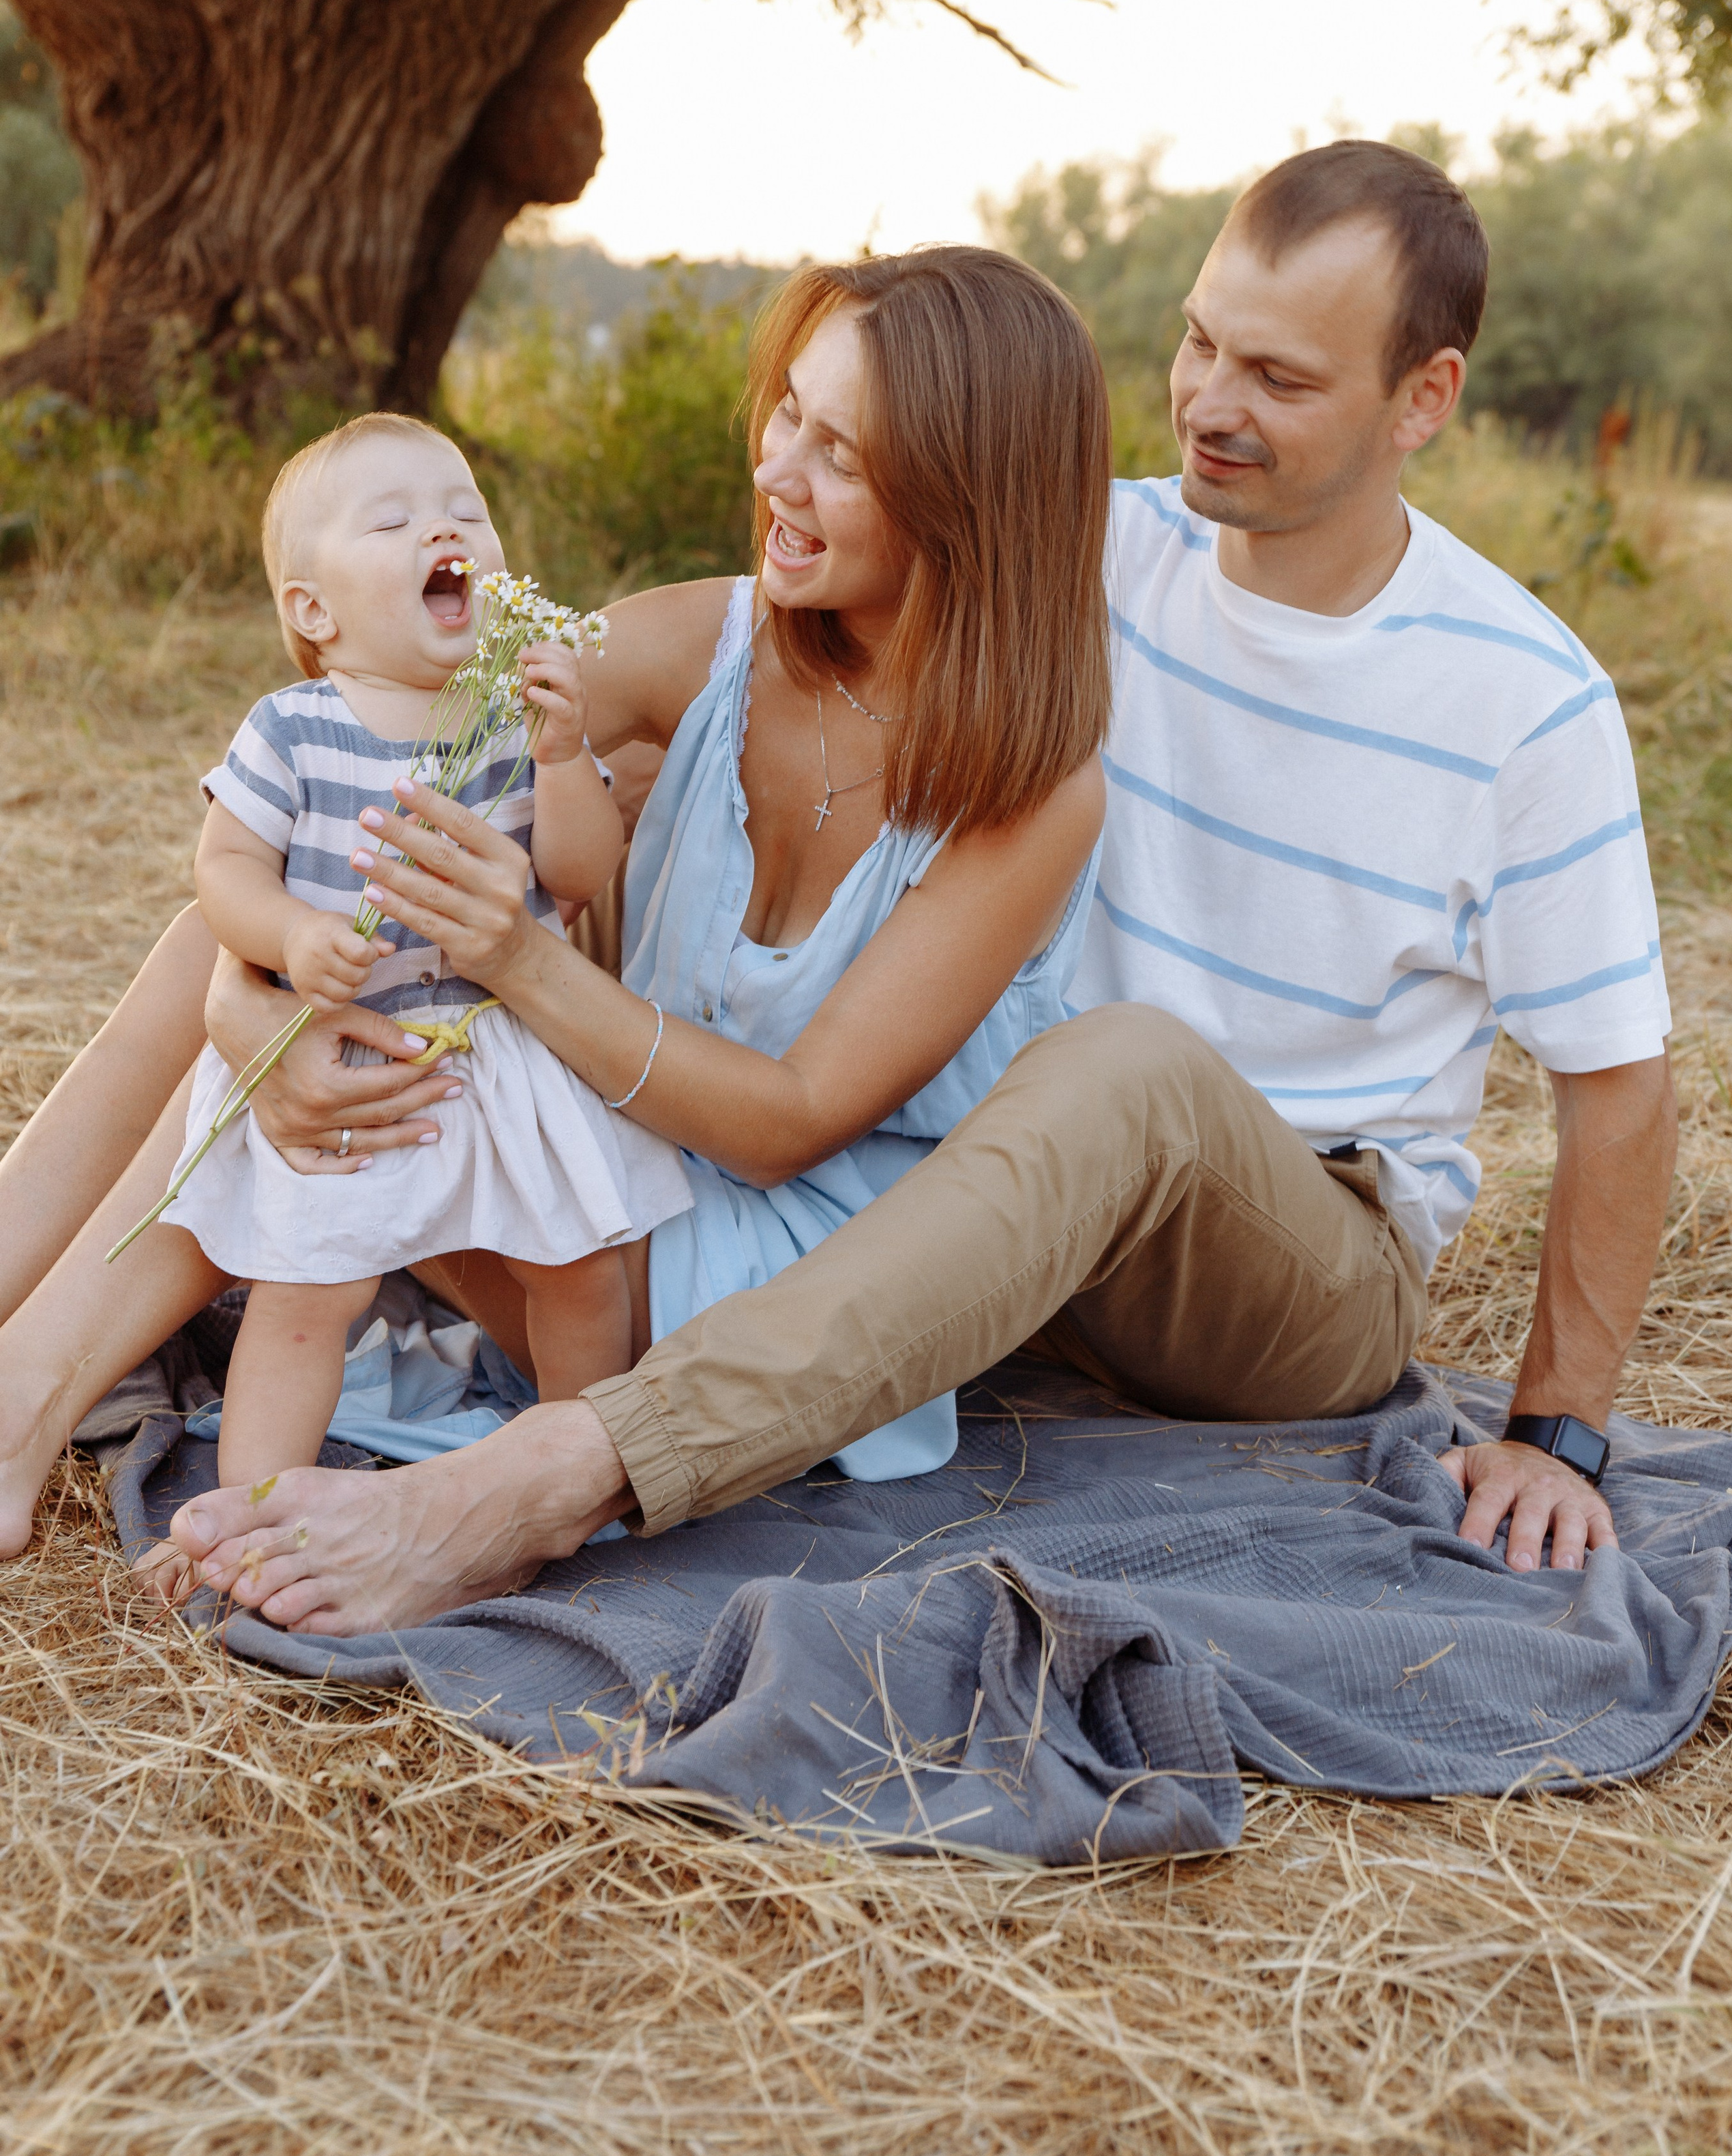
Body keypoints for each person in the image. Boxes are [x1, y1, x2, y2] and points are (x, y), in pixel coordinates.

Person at [1, 148, 1679, 1635]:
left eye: (1278, 378)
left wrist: (1558, 1431)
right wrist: (261, 1003)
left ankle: (551, 1480)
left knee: (1115, 1069)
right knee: (370, 833)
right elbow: (440, 724)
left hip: (1273, 1226)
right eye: (1195, 344)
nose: (1204, 405)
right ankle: (18, 1356)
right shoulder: (1095, 542)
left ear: (1421, 399)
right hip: (999, 1193)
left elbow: (1616, 1089)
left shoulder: (1514, 696)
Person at [0, 246, 1110, 1582]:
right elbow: (382, 771)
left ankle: (24, 1395)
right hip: (602, 1159)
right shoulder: (714, 637)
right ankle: (17, 1372)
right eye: (787, 414)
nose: (777, 471)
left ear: (966, 500)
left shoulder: (1033, 790)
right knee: (297, 919)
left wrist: (517, 959)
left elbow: (787, 1125)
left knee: (397, 1003)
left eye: (843, 456)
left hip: (764, 1290)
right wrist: (255, 1013)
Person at [157, 413, 693, 1492]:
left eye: (465, 513)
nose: (444, 532)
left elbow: (579, 875)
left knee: (583, 1274)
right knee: (308, 1295)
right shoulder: (293, 727)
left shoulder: (510, 720)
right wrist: (293, 934)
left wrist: (563, 755)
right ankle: (251, 1511)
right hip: (358, 1055)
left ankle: (562, 1480)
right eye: (392, 521)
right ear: (314, 610)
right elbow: (225, 869)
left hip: (500, 1048)